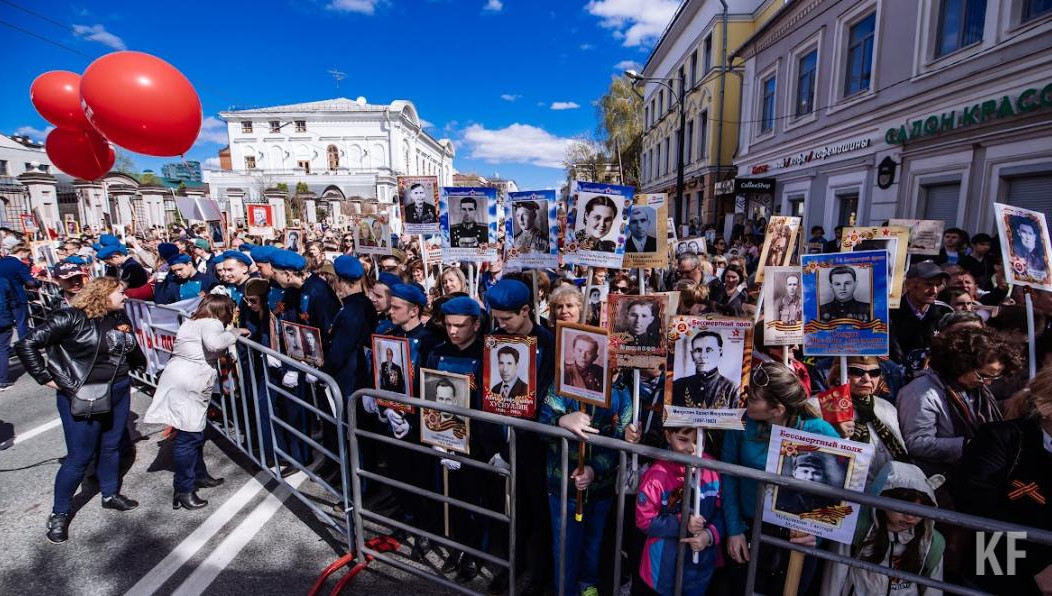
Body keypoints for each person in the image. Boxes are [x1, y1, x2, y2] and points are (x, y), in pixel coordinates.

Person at [15, 277, 144, 543]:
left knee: (111, 447)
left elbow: (128, 347)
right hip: (84, 395)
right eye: (121, 292)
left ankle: (110, 494)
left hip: (118, 388)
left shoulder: (118, 315)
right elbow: (26, 344)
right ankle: (59, 513)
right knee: (79, 458)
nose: (126, 296)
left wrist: (138, 363)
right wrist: (46, 378)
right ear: (103, 294)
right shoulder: (70, 317)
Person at [721, 362, 838, 594]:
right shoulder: (740, 425)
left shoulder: (820, 432)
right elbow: (728, 477)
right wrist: (734, 530)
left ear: (778, 409)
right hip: (750, 528)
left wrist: (817, 534)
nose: (746, 401)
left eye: (754, 399)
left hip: (796, 538)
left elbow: (841, 488)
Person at [541, 345, 630, 596]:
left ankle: (587, 587)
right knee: (565, 550)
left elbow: (619, 439)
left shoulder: (622, 393)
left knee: (593, 546)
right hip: (563, 486)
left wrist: (594, 469)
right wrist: (561, 421)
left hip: (600, 489)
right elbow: (542, 421)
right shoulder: (563, 383)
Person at [955, 367, 1052, 595]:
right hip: (998, 557)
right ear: (1045, 406)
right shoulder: (1001, 438)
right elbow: (976, 503)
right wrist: (1039, 565)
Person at [144, 295, 246, 510]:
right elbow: (215, 343)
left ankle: (198, 475)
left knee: (194, 433)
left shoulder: (193, 321)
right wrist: (235, 332)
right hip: (189, 381)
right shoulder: (211, 322)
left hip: (183, 377)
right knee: (188, 437)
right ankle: (183, 489)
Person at [897, 325, 1022, 478]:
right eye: (983, 375)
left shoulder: (976, 387)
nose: (988, 383)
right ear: (961, 364)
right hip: (940, 479)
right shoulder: (921, 392)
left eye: (994, 377)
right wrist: (967, 445)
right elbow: (916, 443)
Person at [820, 461, 946, 596]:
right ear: (881, 499)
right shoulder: (857, 528)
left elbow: (933, 590)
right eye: (903, 506)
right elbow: (835, 576)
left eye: (920, 509)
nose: (910, 516)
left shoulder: (931, 542)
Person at [636, 425, 723, 595]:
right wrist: (682, 522)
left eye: (699, 441)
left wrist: (709, 535)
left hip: (700, 568)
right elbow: (644, 521)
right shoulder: (657, 476)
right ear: (668, 436)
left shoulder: (713, 471)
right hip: (663, 567)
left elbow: (721, 513)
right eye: (683, 440)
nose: (692, 448)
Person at [829, 357, 910, 485]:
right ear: (838, 374)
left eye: (874, 373)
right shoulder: (820, 406)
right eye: (857, 371)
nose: (867, 379)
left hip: (890, 491)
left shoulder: (887, 408)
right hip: (845, 494)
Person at [672, 331, 738, 409]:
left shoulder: (732, 389)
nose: (703, 356)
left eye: (709, 350)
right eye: (698, 350)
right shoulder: (677, 386)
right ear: (692, 355)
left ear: (720, 352)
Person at [774, 452, 839, 515]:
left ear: (823, 477)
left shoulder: (829, 503)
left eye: (816, 473)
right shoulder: (779, 494)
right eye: (805, 471)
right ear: (794, 473)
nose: (810, 477)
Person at [0, 243, 41, 338]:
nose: (28, 257)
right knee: (21, 323)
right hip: (17, 296)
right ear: (22, 252)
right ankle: (24, 345)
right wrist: (37, 282)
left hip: (2, 297)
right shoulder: (19, 264)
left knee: (6, 326)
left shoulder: (1, 262)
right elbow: (29, 282)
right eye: (28, 254)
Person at [154, 248, 220, 305]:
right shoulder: (174, 284)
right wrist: (160, 281)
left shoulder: (209, 281)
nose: (178, 273)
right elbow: (161, 304)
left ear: (189, 264)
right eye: (174, 271)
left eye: (180, 269)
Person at [1010, 216, 1049, 282]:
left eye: (1030, 233)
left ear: (1035, 236)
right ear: (1019, 232)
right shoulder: (1016, 252)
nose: (1027, 237)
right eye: (1024, 232)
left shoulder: (1041, 256)